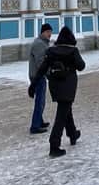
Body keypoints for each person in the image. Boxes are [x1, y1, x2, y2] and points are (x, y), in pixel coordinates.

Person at [28, 26, 85, 158]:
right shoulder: (73, 51)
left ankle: (72, 133)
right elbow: (81, 66)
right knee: (61, 114)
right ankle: (54, 145)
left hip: (55, 85)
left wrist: (33, 84)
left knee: (66, 109)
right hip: (69, 85)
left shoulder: (52, 51)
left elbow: (42, 68)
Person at [28, 24, 53, 134]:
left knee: (41, 99)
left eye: (50, 32)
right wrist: (49, 73)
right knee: (40, 101)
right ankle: (35, 126)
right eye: (48, 32)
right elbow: (41, 63)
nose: (50, 34)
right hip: (37, 76)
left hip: (38, 75)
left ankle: (40, 121)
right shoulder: (39, 44)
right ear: (43, 32)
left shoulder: (42, 43)